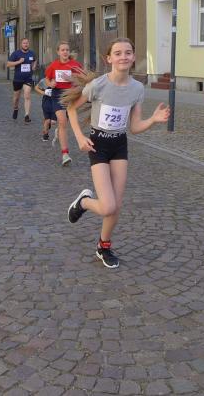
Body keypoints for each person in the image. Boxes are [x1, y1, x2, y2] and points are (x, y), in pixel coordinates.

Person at [64, 38, 170, 268]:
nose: (123, 56)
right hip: (98, 145)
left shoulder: (137, 88)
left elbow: (135, 127)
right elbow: (71, 108)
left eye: (128, 52)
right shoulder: (98, 85)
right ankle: (84, 203)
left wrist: (153, 119)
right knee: (107, 206)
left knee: (116, 205)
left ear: (133, 57)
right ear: (109, 58)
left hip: (119, 145)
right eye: (118, 53)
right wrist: (80, 137)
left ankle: (104, 246)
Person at [45, 41, 83, 166]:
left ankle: (60, 130)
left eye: (67, 50)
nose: (65, 52)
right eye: (62, 50)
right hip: (57, 94)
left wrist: (77, 81)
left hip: (71, 94)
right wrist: (51, 84)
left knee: (66, 122)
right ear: (58, 52)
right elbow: (47, 79)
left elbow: (83, 78)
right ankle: (65, 154)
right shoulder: (53, 65)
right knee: (62, 121)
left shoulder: (75, 65)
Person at [6, 38, 37, 123]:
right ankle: (15, 108)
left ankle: (27, 115)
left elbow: (35, 60)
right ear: (21, 44)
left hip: (28, 78)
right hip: (18, 79)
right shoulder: (16, 53)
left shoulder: (32, 53)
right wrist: (19, 62)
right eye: (24, 43)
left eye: (27, 43)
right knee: (16, 98)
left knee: (27, 95)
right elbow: (8, 64)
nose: (26, 44)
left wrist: (34, 66)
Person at [34, 77, 56, 142]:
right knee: (48, 120)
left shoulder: (60, 80)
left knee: (53, 122)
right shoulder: (44, 80)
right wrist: (44, 92)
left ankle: (58, 132)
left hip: (55, 104)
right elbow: (36, 88)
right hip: (46, 103)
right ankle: (45, 135)